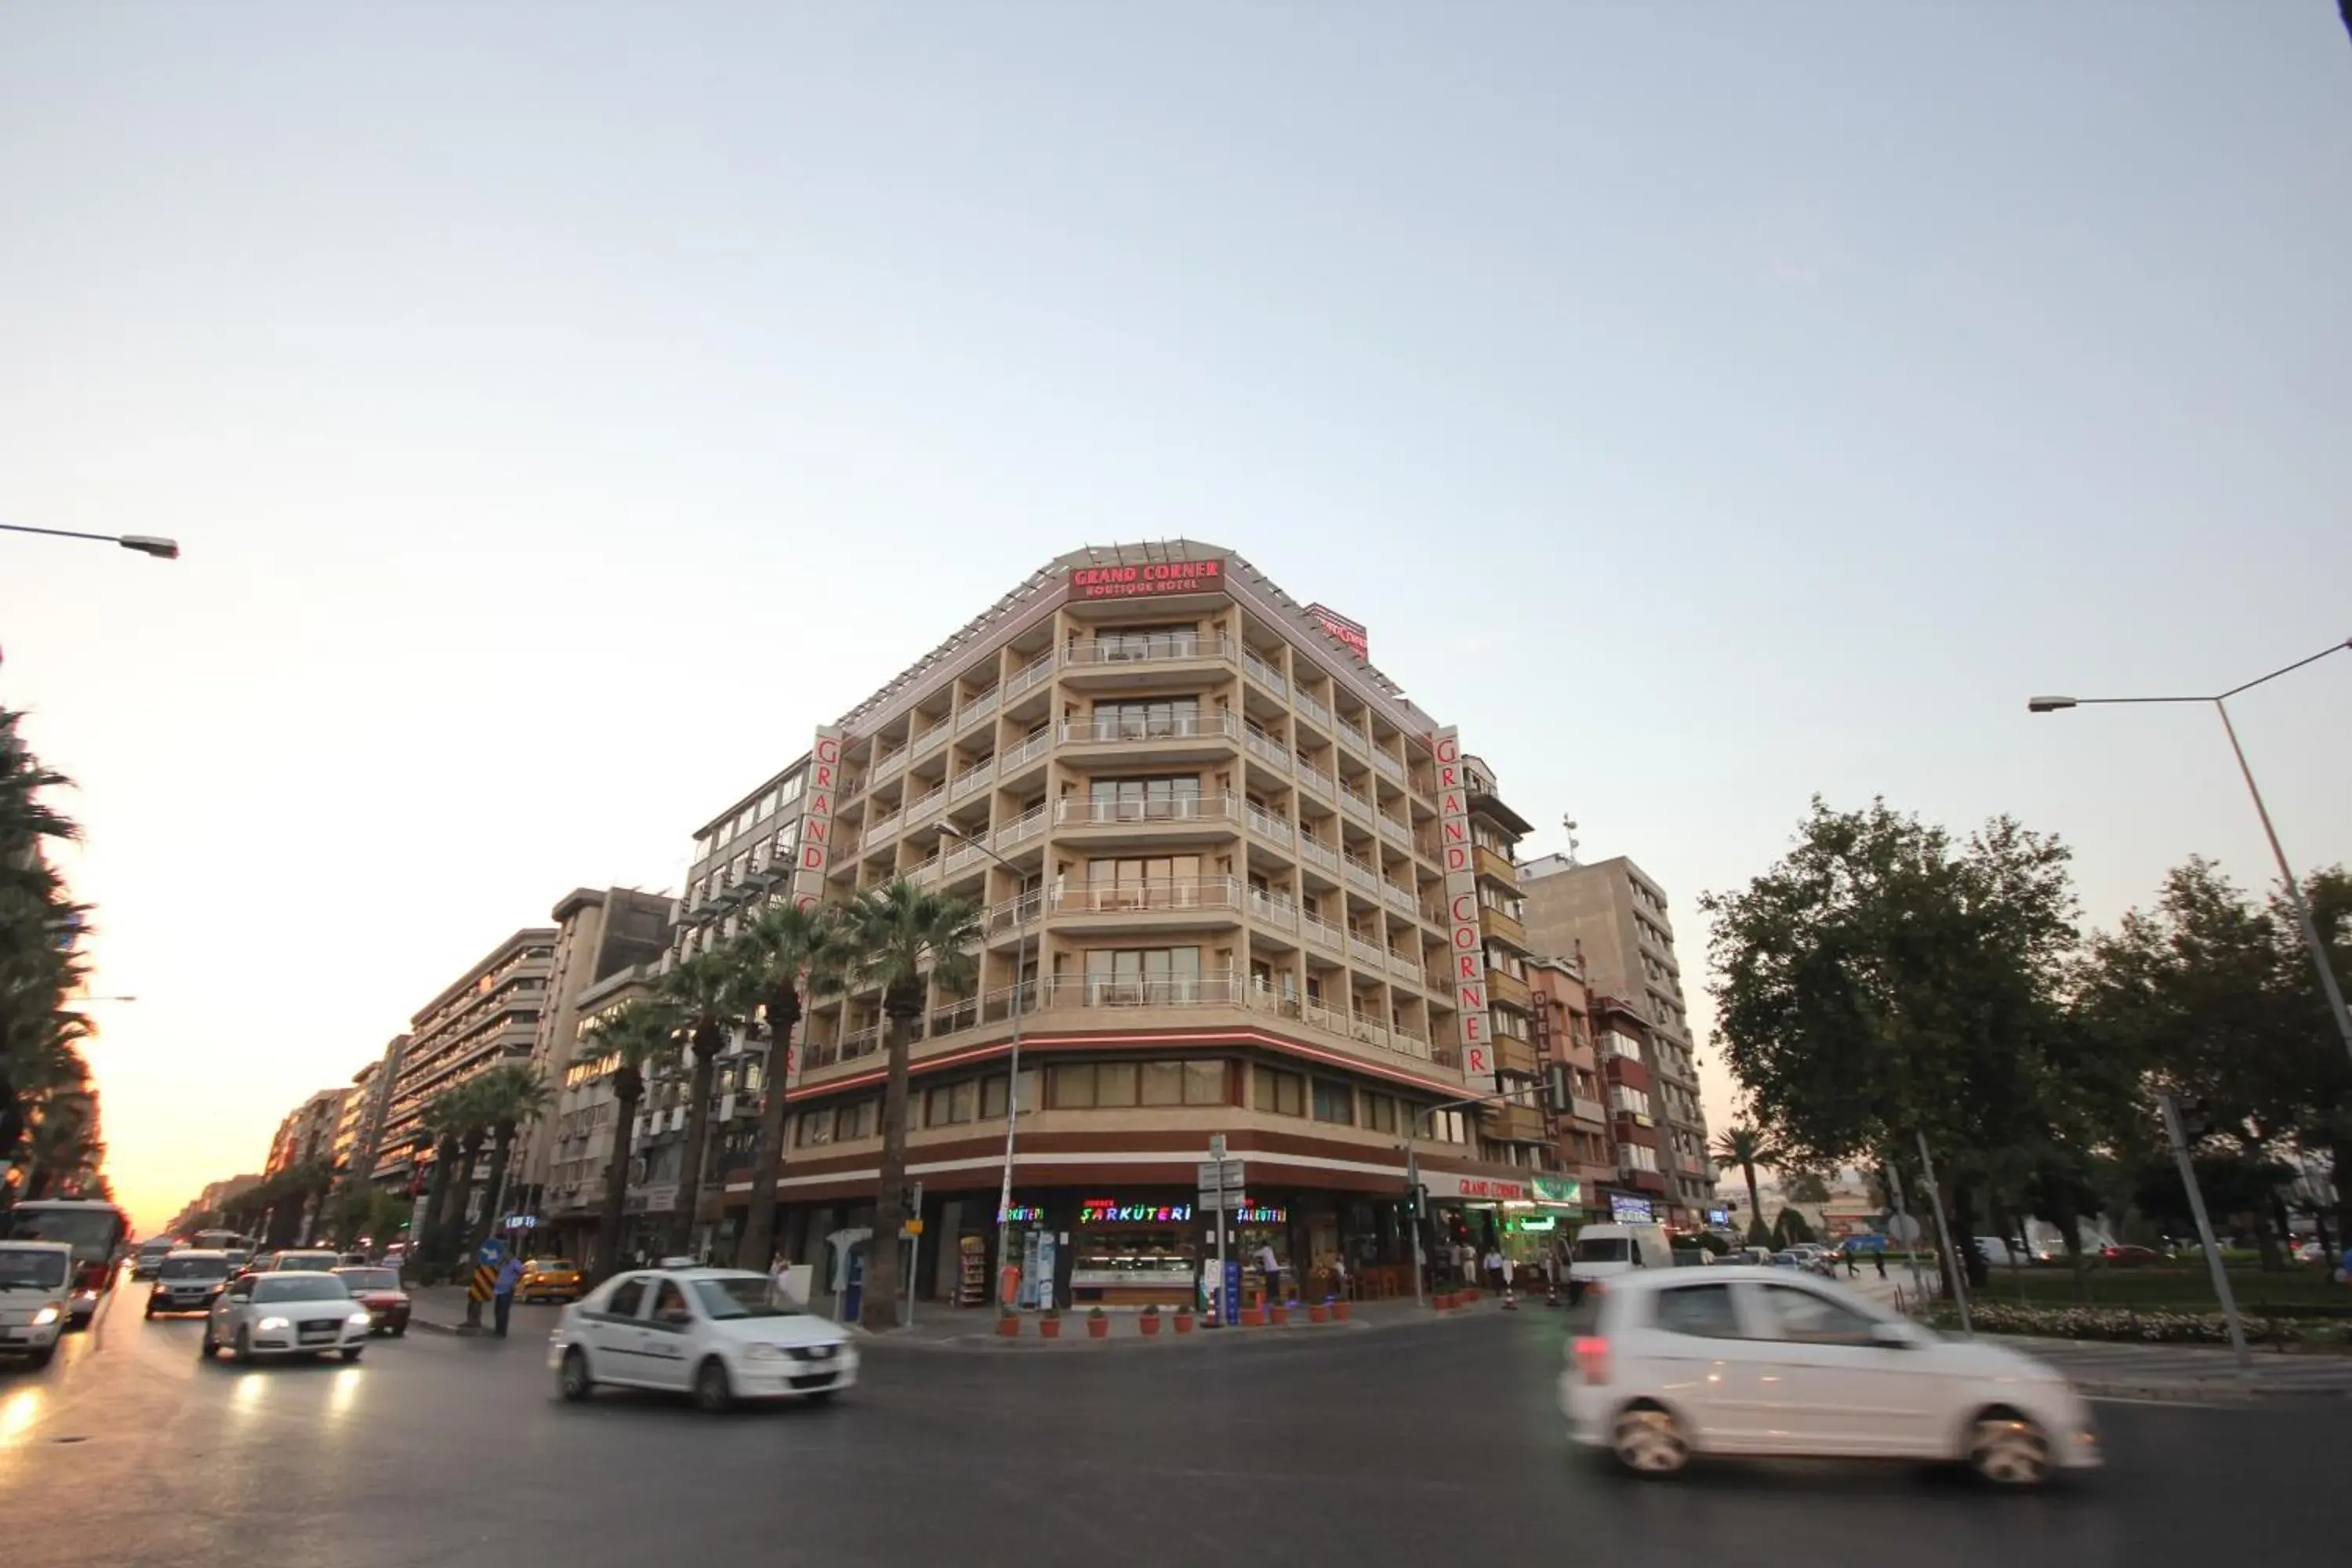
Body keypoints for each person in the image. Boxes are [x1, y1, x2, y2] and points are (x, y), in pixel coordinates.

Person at [492, 1252, 524, 1338]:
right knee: (497, 1311)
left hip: (507, 1289)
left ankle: (502, 1332)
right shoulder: (499, 1262)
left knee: (503, 1311)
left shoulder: (513, 1262)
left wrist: (515, 1281)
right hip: (498, 1290)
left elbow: (521, 1271)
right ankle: (497, 1329)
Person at [1256, 1240, 1281, 1307]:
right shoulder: (1270, 1249)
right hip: (1275, 1269)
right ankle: (1276, 1299)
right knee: (1274, 1285)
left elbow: (1255, 1254)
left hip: (1271, 1270)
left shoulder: (1264, 1250)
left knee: (1270, 1284)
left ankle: (1272, 1299)